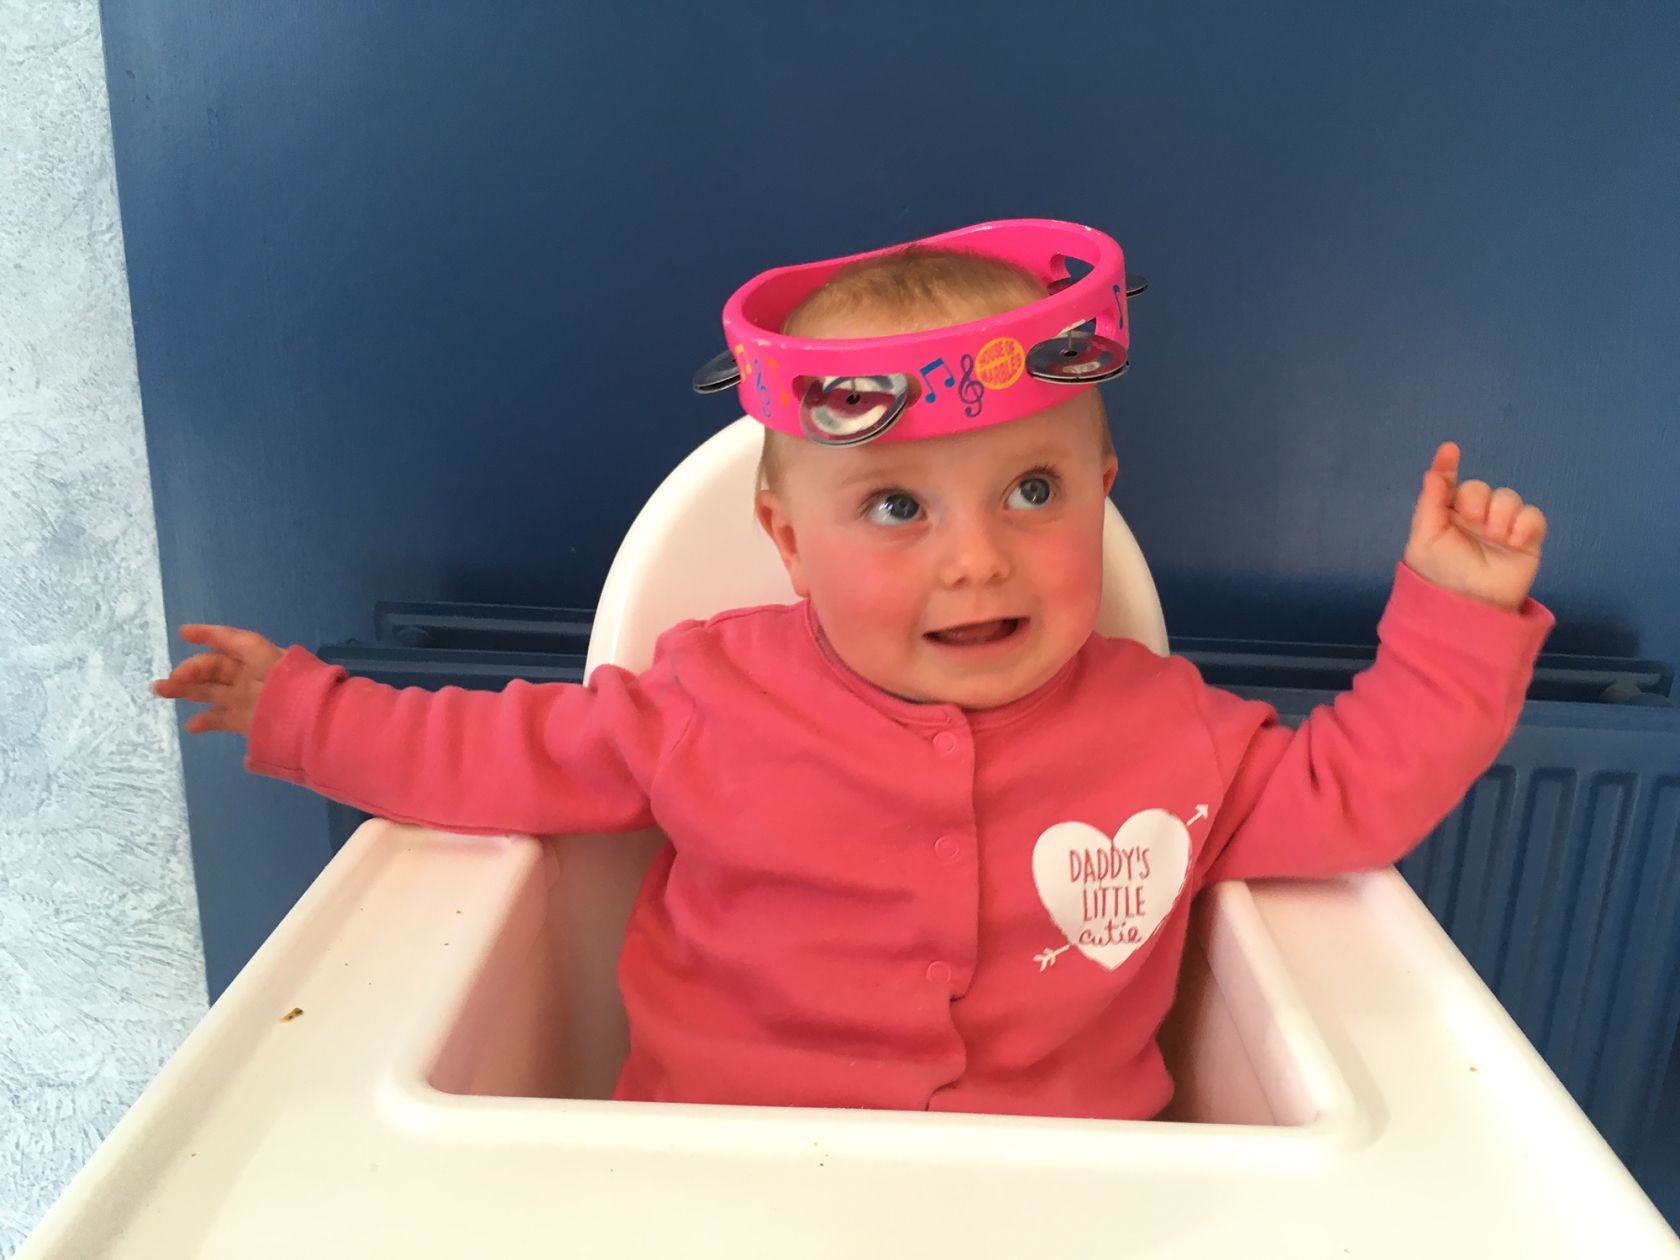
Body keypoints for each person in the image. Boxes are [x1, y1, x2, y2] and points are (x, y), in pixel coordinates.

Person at [153, 234, 1552, 1121]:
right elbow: (494, 757)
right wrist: (301, 710)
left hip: (1067, 1212)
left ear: (1103, 491)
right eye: (895, 508)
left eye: (1034, 491)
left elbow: (1353, 794)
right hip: (717, 1187)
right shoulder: (708, 700)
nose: (977, 561)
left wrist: (1458, 615)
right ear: (786, 542)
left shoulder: (1169, 731)